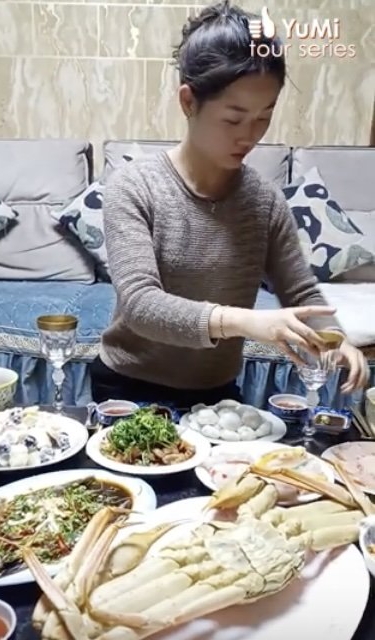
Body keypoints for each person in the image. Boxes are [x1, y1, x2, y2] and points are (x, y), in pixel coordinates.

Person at [90, 1, 369, 408]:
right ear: (188, 102)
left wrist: (335, 338)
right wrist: (246, 321)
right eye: (233, 118)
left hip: (216, 394)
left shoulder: (264, 202)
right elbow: (140, 305)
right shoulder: (135, 186)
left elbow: (301, 291)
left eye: (264, 117)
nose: (249, 136)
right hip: (126, 387)